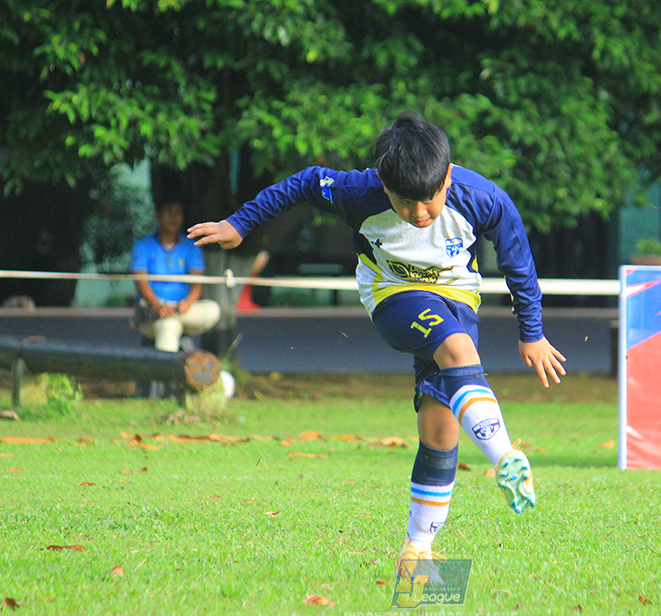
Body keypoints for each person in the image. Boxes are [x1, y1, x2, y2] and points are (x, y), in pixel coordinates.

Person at [187, 112, 566, 577]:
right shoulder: (357, 192)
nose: (420, 213)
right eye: (406, 203)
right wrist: (240, 223)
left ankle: (417, 556)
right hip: (393, 296)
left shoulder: (483, 198)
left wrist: (532, 332)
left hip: (458, 300)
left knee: (440, 429)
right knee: (458, 352)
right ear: (384, 186)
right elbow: (304, 182)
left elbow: (518, 262)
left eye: (430, 199)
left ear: (448, 177)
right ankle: (506, 457)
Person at [131, 196, 221, 353]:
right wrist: (157, 306)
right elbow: (141, 282)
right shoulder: (143, 246)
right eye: (168, 212)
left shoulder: (191, 246)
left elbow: (196, 283)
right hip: (152, 309)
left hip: (183, 309)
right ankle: (167, 370)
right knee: (169, 326)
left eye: (178, 213)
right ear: (158, 215)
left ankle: (170, 317)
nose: (173, 217)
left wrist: (187, 303)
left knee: (213, 309)